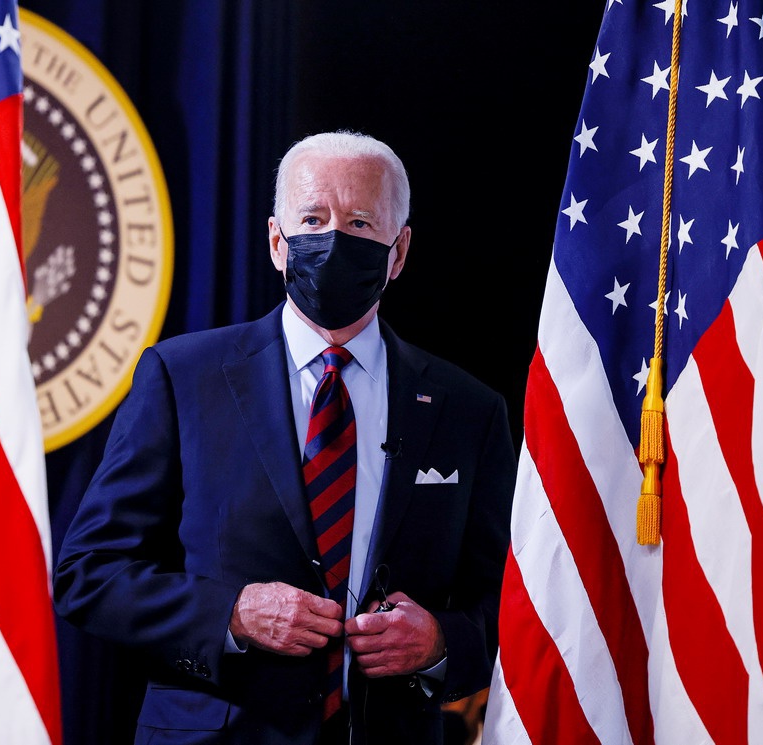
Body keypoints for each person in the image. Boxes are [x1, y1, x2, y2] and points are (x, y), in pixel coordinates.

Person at [52, 130, 517, 745]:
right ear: (277, 242)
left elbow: (514, 601)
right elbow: (88, 574)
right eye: (313, 219)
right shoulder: (182, 377)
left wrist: (440, 643)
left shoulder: (468, 410)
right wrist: (232, 614)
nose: (334, 239)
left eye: (359, 223)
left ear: (399, 251)